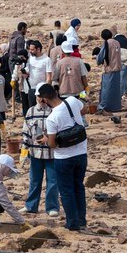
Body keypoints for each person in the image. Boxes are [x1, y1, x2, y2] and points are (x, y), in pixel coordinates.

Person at [39, 83, 89, 232]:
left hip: (64, 157)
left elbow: (53, 144)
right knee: (78, 187)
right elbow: (84, 109)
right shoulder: (72, 101)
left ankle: (72, 223)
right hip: (81, 153)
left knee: (67, 191)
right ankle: (81, 220)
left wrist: (46, 139)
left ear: (45, 100)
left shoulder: (52, 118)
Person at [22, 83, 59, 217]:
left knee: (53, 181)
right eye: (38, 96)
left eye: (42, 96)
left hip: (51, 153)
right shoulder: (31, 111)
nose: (41, 99)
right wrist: (24, 150)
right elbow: (26, 131)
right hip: (35, 153)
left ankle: (52, 207)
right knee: (35, 181)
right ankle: (31, 206)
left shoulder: (54, 111)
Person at [20, 40, 51, 115]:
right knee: (32, 111)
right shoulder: (31, 59)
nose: (30, 51)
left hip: (41, 91)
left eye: (32, 49)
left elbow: (49, 77)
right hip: (31, 89)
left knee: (43, 111)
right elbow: (27, 74)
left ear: (38, 49)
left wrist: (45, 92)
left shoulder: (46, 60)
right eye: (30, 49)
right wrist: (23, 72)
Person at [98, 29, 123, 113]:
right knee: (115, 89)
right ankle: (116, 106)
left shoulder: (106, 43)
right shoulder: (117, 42)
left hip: (109, 68)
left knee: (106, 89)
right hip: (118, 68)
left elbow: (101, 55)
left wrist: (98, 60)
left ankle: (104, 106)